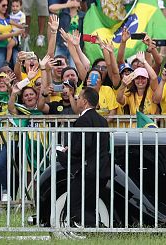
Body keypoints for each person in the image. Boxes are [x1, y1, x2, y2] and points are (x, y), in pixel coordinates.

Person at [59, 88, 110, 228]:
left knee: (73, 206)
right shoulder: (102, 120)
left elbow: (83, 145)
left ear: (85, 102)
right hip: (102, 169)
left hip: (88, 171)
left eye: (79, 97)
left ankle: (99, 227)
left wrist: (68, 150)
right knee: (89, 204)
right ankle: (94, 230)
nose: (77, 99)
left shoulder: (84, 120)